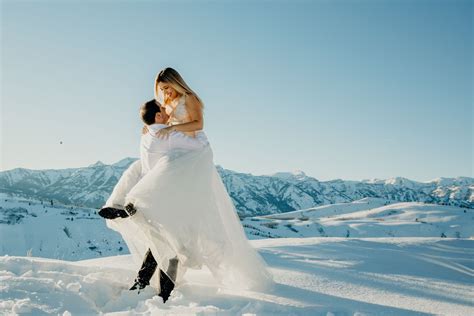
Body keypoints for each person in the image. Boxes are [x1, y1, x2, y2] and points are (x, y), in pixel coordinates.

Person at [100, 99, 208, 302]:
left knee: (158, 243)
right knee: (174, 248)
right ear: (158, 116)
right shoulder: (168, 135)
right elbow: (201, 146)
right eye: (163, 108)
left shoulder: (147, 134)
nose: (167, 109)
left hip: (149, 198)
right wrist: (187, 127)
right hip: (167, 200)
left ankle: (141, 282)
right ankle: (164, 296)